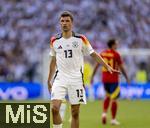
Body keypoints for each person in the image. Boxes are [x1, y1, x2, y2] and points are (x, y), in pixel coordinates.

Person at [48, 11, 119, 128]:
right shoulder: (54, 41)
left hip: (76, 79)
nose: (64, 23)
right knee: (54, 108)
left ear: (72, 23)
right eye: (62, 21)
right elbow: (53, 61)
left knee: (75, 113)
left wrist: (107, 66)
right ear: (59, 23)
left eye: (67, 21)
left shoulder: (81, 39)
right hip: (60, 78)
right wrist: (48, 79)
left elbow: (93, 54)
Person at [91, 39, 130, 125]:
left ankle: (104, 114)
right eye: (116, 44)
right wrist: (127, 77)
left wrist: (92, 77)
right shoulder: (116, 54)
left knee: (107, 96)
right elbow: (122, 67)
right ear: (112, 45)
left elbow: (96, 66)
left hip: (105, 79)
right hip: (113, 79)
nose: (117, 45)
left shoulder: (102, 53)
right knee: (114, 99)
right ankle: (113, 119)